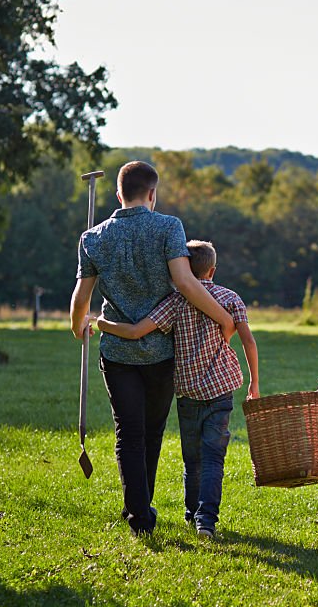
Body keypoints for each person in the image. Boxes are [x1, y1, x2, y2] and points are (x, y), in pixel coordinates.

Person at [70, 161, 235, 537]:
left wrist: (77, 324)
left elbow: (82, 296)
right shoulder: (168, 227)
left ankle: (139, 515)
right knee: (151, 432)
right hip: (161, 350)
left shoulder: (92, 238)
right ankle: (141, 507)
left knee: (128, 433)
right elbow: (187, 284)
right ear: (152, 194)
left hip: (116, 354)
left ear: (118, 195)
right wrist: (224, 317)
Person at [97, 240, 258, 539]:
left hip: (187, 392)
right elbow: (247, 340)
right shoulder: (230, 298)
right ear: (213, 269)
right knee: (213, 458)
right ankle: (205, 521)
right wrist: (254, 382)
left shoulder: (174, 302)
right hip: (222, 389)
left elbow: (135, 331)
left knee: (192, 459)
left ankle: (190, 512)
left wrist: (102, 324)